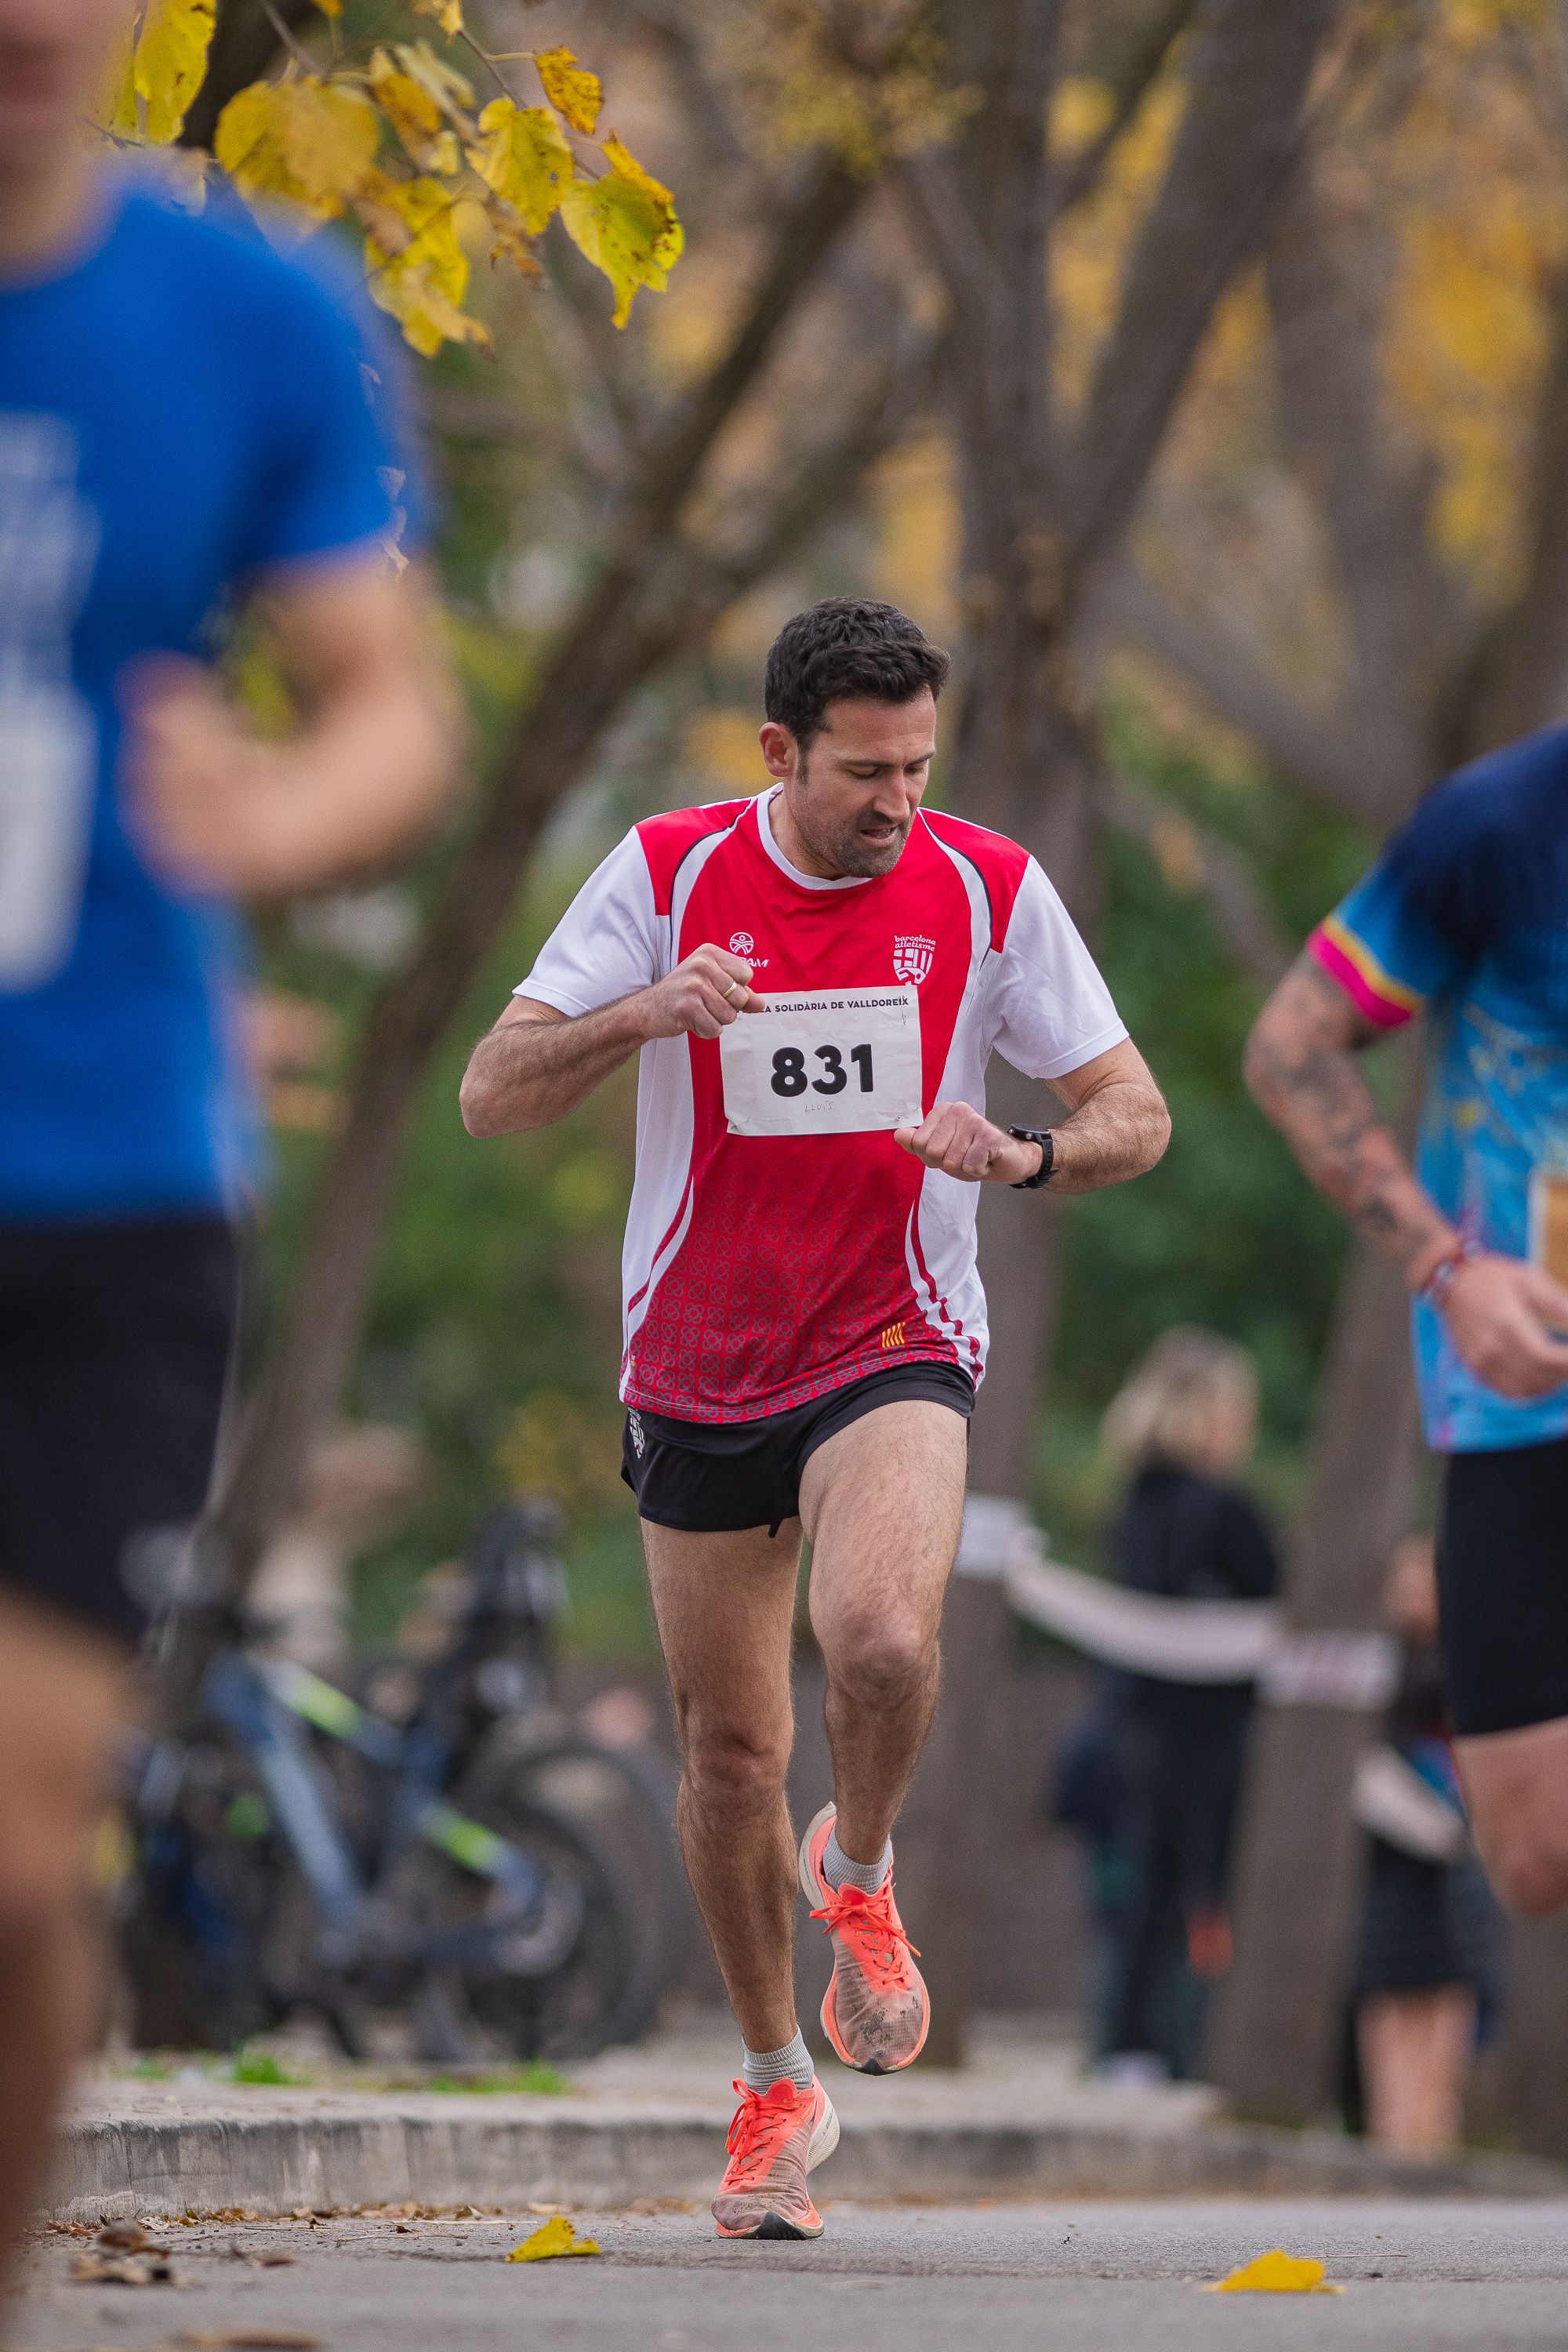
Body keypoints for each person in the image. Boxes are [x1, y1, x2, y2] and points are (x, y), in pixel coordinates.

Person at [462, 595, 1171, 2237]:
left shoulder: (988, 886)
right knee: (726, 1752)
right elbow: (490, 1093)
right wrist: (648, 1011)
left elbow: (1132, 1110)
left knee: (880, 1647)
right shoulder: (665, 874)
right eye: (865, 772)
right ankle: (777, 2085)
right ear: (778, 752)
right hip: (697, 1362)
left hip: (891, 1336)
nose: (899, 804)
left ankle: (856, 1871)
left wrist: (1028, 1157)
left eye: (920, 765)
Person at [0, 0, 456, 2288]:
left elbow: (387, 697)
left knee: (12, 1860)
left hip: (106, 1183)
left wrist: (268, 806)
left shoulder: (252, 309)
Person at [1245, 729, 1568, 1919]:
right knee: (1532, 1856)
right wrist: (1449, 1270)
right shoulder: (1495, 828)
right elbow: (1290, 1048)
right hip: (1525, 1383)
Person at [1092, 1329, 1279, 2080]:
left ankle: (1127, 2046)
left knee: (1140, 1890)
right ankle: (1190, 2048)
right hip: (1211, 1735)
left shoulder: (1131, 1504)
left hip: (1133, 1724)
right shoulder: (1224, 1508)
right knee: (1205, 1891)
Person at [1349, 1535, 1501, 2153]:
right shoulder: (1374, 1664)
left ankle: (1434, 2115)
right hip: (1391, 1853)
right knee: (1389, 1981)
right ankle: (1390, 2118)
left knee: (1451, 1980)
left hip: (1459, 1845)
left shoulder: (1472, 1665)